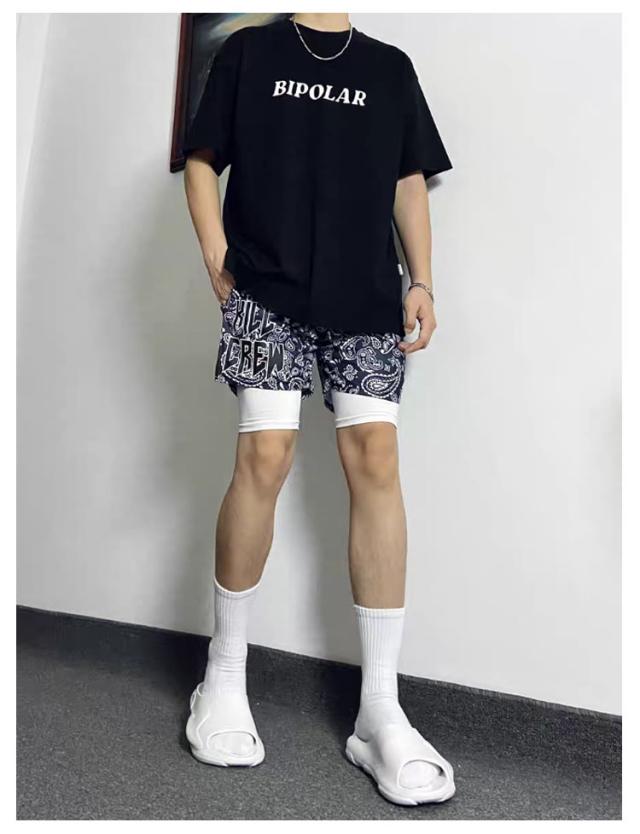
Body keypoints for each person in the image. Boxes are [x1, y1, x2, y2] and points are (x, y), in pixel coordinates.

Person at [183, 12, 454, 806]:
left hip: (367, 296)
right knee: (264, 456)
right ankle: (222, 678)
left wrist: (422, 279)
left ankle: (379, 712)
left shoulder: (390, 67)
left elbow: (408, 180)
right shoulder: (248, 51)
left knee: (376, 460)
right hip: (266, 289)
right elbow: (201, 159)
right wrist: (215, 254)